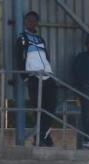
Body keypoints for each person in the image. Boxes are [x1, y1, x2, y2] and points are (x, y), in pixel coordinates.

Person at [15, 10, 57, 146]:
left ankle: (43, 135)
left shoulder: (40, 39)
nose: (31, 22)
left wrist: (49, 70)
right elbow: (18, 58)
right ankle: (42, 138)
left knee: (50, 107)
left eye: (34, 20)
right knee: (38, 108)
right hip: (34, 76)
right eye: (28, 20)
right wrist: (25, 76)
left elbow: (46, 56)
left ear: (37, 23)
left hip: (47, 75)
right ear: (25, 22)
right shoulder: (22, 38)